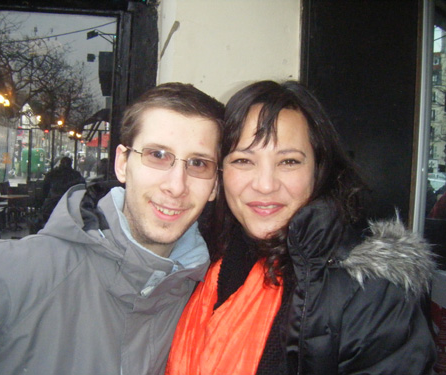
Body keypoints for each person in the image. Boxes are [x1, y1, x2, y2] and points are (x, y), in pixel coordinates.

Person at [0, 82, 224, 375]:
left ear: (215, 184)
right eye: (157, 155)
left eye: (198, 163)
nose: (176, 186)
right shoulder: (10, 275)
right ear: (122, 163)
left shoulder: (207, 304)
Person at [166, 80, 437, 374]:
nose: (265, 185)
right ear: (221, 173)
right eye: (244, 160)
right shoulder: (196, 261)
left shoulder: (371, 293)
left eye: (289, 162)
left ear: (318, 170)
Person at [39, 156, 86, 226]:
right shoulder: (76, 175)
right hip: (71, 203)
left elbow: (45, 189)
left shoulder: (52, 174)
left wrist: (44, 200)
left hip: (53, 202)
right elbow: (82, 187)